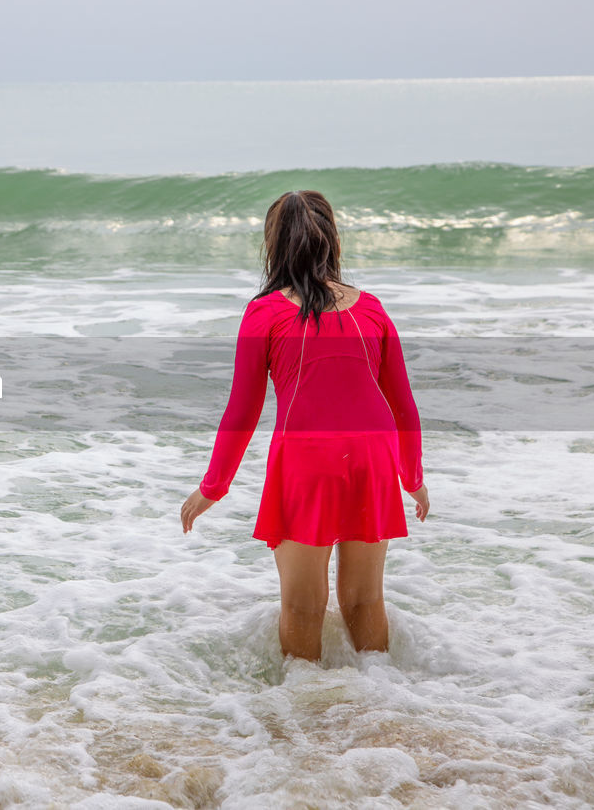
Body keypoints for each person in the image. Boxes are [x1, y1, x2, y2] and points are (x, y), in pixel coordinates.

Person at [179, 190, 429, 663]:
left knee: (302, 604)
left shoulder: (266, 312)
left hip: (307, 459)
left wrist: (213, 487)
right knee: (364, 598)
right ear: (332, 240)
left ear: (274, 246)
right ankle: (385, 698)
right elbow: (403, 407)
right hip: (372, 458)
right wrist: (411, 477)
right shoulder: (371, 308)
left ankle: (306, 711)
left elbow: (242, 410)